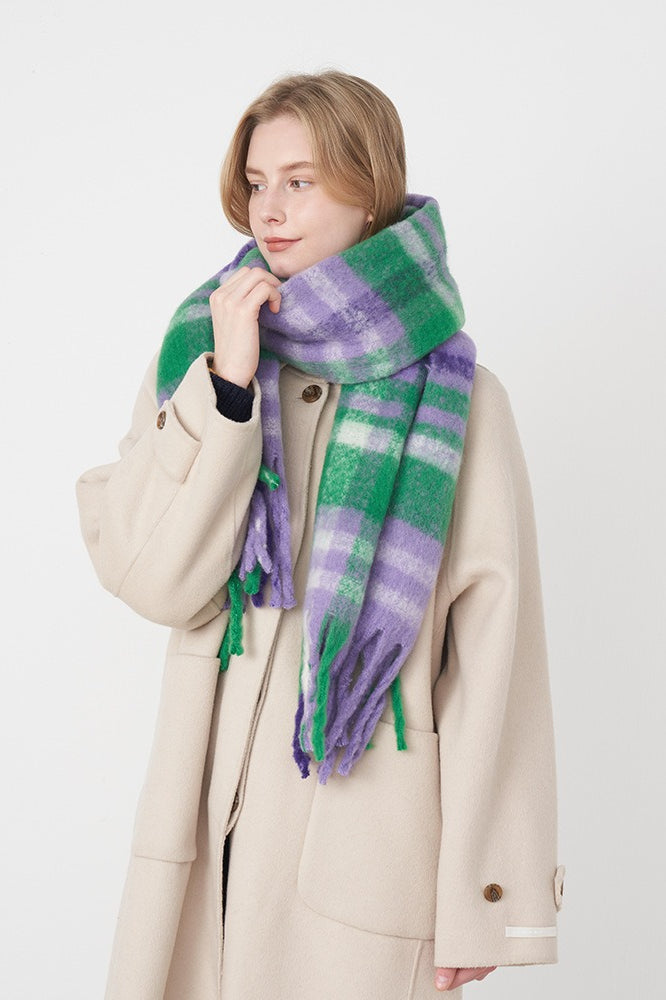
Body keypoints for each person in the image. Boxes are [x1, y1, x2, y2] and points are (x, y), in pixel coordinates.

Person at [76, 69, 565, 1000]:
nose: (270, 209)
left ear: (369, 188)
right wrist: (228, 392)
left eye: (300, 181)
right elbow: (154, 580)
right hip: (202, 829)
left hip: (360, 848)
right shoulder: (200, 357)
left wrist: (487, 892)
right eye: (258, 183)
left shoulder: (460, 401)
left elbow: (498, 658)